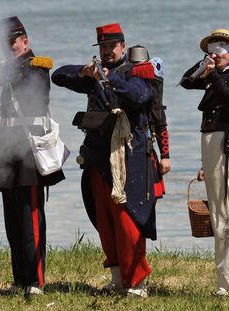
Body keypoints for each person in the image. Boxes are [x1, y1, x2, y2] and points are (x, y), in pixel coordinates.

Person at [52, 23, 157, 297]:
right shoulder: (94, 74)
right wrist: (83, 72)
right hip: (98, 156)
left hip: (128, 157)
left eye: (112, 46)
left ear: (123, 46)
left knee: (128, 221)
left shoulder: (137, 71)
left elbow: (140, 96)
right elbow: (58, 76)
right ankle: (117, 278)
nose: (108, 51)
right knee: (104, 219)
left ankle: (136, 282)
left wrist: (109, 78)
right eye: (103, 47)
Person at [0, 16, 65, 296]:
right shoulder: (10, 69)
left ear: (25, 41)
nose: (7, 47)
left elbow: (24, 81)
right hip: (6, 146)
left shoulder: (38, 65)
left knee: (31, 218)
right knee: (13, 218)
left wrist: (6, 68)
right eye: (4, 43)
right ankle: (19, 279)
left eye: (12, 42)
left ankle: (35, 281)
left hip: (27, 148)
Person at [181, 28, 229, 296]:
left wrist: (213, 75)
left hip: (226, 143)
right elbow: (186, 81)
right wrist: (205, 66)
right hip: (213, 144)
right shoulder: (221, 75)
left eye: (218, 53)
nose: (214, 57)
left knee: (226, 214)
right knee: (221, 214)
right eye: (209, 53)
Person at [127, 45, 171, 198]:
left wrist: (165, 156)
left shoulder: (154, 99)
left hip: (145, 148)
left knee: (149, 198)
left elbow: (160, 124)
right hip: (128, 149)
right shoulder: (122, 82)